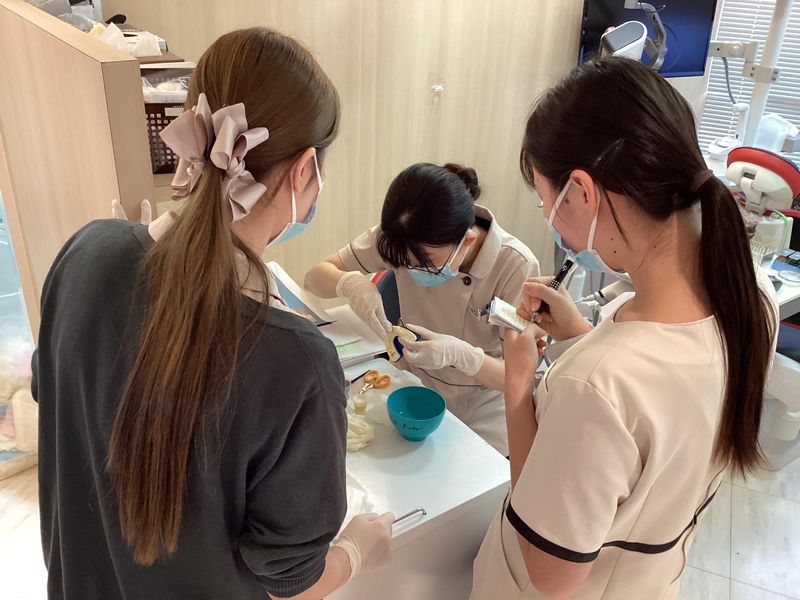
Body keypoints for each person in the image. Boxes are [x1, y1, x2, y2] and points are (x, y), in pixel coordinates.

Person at [32, 28, 393, 600]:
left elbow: (56, 398)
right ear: (305, 170)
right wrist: (355, 552)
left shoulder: (86, 252)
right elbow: (289, 581)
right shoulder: (296, 362)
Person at [471, 58, 778, 599]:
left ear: (582, 192)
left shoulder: (597, 383)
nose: (548, 218)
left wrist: (519, 385)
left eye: (546, 201)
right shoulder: (752, 298)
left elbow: (552, 573)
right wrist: (581, 336)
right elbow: (659, 415)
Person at [304, 163, 539, 454]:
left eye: (425, 262)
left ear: (467, 241)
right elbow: (314, 277)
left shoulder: (515, 266)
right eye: (404, 262)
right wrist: (350, 284)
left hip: (482, 404)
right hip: (412, 384)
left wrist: (463, 357)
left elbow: (519, 378)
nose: (412, 268)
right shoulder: (403, 235)